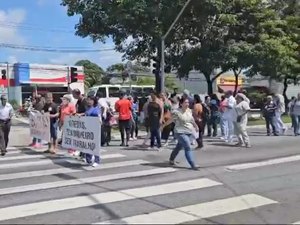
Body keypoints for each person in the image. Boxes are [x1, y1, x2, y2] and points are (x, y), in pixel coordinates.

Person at [169, 97, 199, 170]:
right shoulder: (177, 112)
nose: (187, 104)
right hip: (180, 132)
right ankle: (192, 164)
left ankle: (171, 159)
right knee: (188, 147)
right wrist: (162, 126)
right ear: (181, 104)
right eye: (185, 102)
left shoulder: (189, 111)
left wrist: (196, 126)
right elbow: (170, 120)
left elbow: (191, 120)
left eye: (188, 102)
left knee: (179, 146)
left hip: (188, 132)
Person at [85, 96, 101, 167]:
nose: (89, 101)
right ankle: (88, 158)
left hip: (95, 129)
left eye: (90, 100)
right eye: (88, 100)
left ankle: (97, 160)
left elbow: (99, 119)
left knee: (95, 145)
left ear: (94, 101)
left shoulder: (96, 109)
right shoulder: (87, 108)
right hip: (88, 129)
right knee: (88, 144)